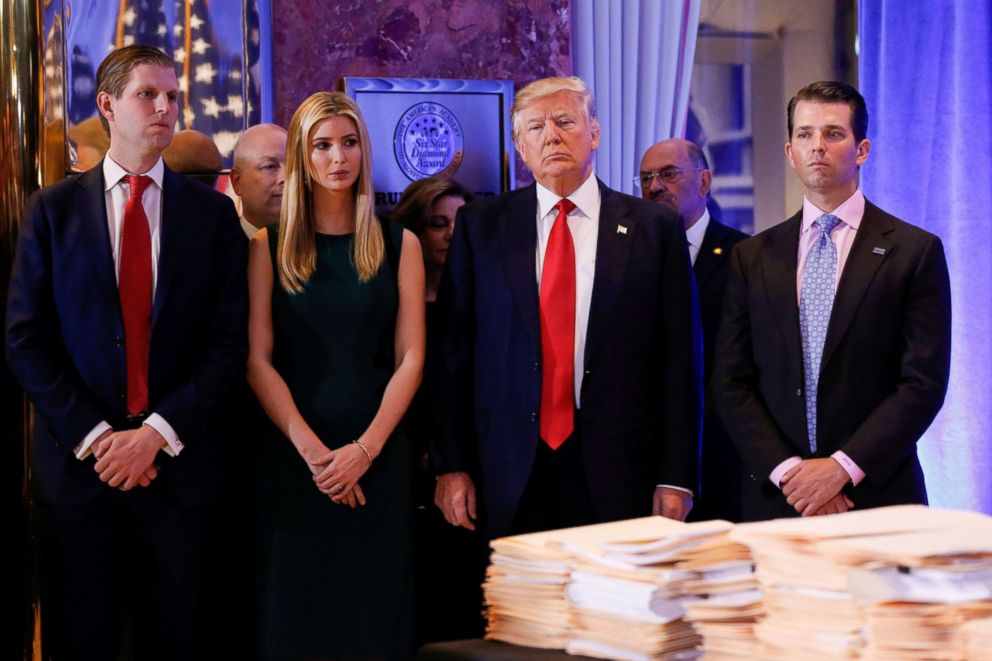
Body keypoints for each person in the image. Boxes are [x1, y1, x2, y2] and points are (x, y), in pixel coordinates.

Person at [5, 44, 247, 659]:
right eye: (149, 94)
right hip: (78, 476)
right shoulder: (52, 211)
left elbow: (227, 344)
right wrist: (97, 437)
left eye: (173, 96)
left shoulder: (212, 217)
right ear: (108, 103)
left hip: (180, 473)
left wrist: (156, 433)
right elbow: (26, 338)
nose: (165, 108)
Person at [431, 76, 702, 538]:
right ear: (520, 146)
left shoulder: (654, 229)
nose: (551, 135)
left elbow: (681, 362)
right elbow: (452, 356)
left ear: (593, 133)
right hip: (508, 467)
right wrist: (450, 464)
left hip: (621, 470)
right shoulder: (481, 227)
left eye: (564, 122)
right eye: (535, 127)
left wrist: (676, 476)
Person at [712, 81, 951, 521]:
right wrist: (793, 475)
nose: (816, 146)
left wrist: (840, 470)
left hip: (878, 498)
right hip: (779, 500)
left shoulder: (915, 252)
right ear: (789, 152)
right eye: (804, 135)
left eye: (832, 134)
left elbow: (922, 384)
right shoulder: (752, 257)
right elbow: (731, 383)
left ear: (862, 150)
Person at [247, 91, 424, 659]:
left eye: (349, 143)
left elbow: (411, 359)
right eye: (322, 145)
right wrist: (315, 454)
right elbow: (257, 360)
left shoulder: (401, 243)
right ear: (303, 155)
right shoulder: (266, 247)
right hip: (293, 460)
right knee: (295, 621)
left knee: (375, 619)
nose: (337, 158)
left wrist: (364, 452)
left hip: (378, 459)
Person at [392, 177, 486, 644]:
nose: (450, 234)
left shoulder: (487, 297)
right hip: (402, 463)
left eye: (460, 223)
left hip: (470, 464)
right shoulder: (391, 298)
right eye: (438, 224)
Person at [638, 139, 748, 522]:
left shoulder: (745, 257)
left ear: (704, 182)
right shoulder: (624, 260)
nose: (654, 187)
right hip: (644, 458)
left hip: (721, 456)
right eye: (646, 178)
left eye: (668, 174)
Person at [231, 123, 287, 237]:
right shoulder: (217, 249)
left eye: (294, 167)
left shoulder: (323, 247)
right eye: (270, 167)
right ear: (237, 181)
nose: (286, 177)